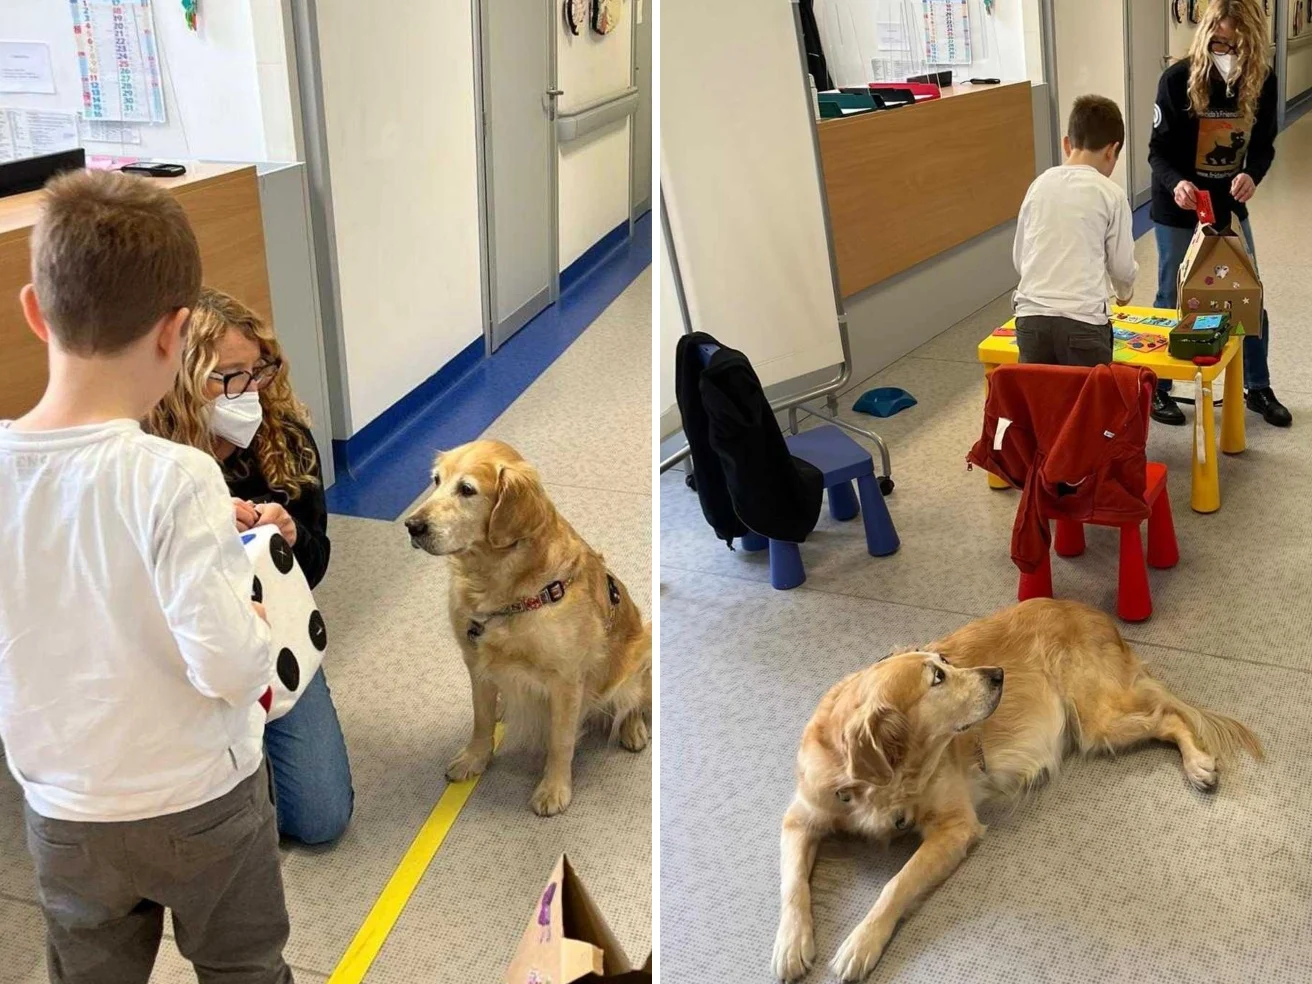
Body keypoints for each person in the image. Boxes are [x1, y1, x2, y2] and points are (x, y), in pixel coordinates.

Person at [0, 171, 294, 979]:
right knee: (244, 966)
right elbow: (230, 666)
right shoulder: (177, 476)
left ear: (34, 309)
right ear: (175, 333)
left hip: (65, 809)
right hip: (200, 800)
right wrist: (258, 624)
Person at [148, 287, 354, 845]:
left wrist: (290, 534)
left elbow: (314, 567)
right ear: (183, 377)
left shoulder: (284, 437)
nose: (249, 391)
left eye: (258, 371)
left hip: (272, 636)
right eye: (228, 377)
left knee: (320, 817)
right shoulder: (148, 451)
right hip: (179, 649)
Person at [1148, 0, 1286, 427]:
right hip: (1179, 204)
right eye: (1219, 41)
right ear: (1207, 36)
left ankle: (1257, 386)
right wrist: (1179, 184)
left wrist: (1253, 176)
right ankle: (1158, 387)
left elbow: (1263, 145)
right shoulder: (1176, 80)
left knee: (1248, 294)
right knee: (1173, 295)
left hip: (1228, 203)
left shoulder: (1261, 81)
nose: (1226, 51)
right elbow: (1158, 152)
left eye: (1236, 43)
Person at [1012, 95, 1138, 367]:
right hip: (1083, 322)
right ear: (1111, 150)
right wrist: (1124, 292)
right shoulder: (1111, 194)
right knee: (1088, 406)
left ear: (1067, 144)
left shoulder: (1039, 185)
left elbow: (1021, 256)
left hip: (1031, 319)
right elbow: (1121, 265)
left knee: (1041, 404)